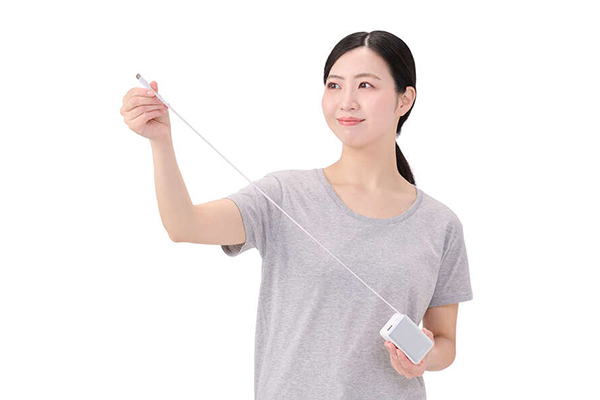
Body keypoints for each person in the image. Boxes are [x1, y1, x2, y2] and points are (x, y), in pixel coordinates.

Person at [120, 30, 473, 400]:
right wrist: (161, 142)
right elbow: (184, 225)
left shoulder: (440, 224)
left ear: (405, 99)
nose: (346, 102)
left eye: (365, 85)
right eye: (334, 85)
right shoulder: (284, 195)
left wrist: (423, 357)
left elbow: (445, 342)